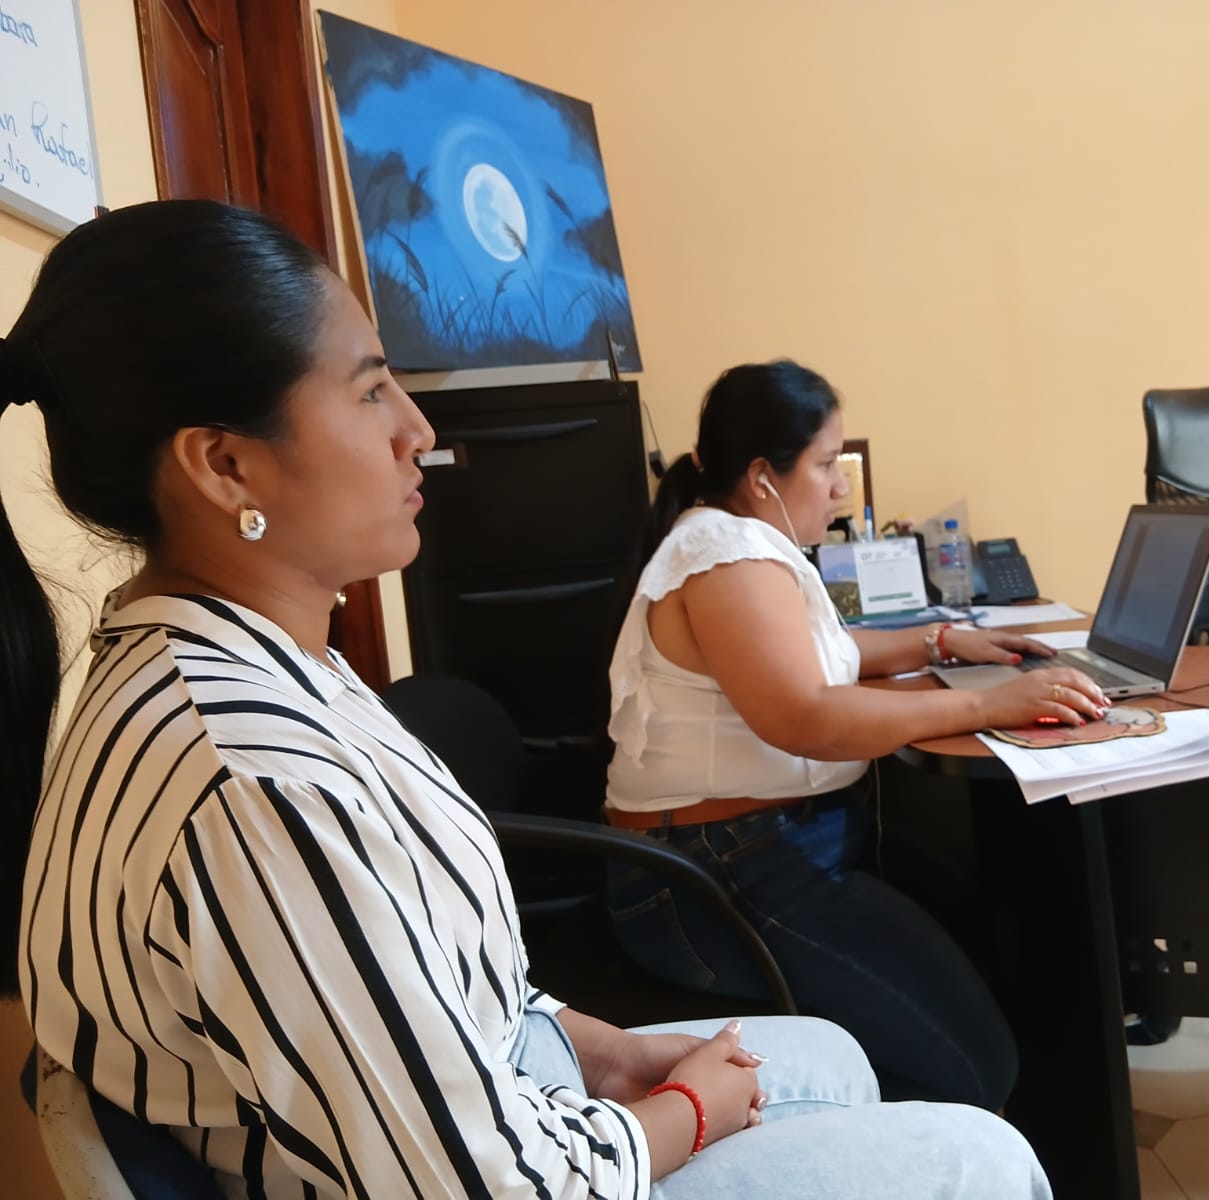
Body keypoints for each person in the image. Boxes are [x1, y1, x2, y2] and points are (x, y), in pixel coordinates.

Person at [2, 200, 1051, 1198]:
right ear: (226, 465)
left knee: (829, 1056)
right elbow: (486, 1186)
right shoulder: (257, 784)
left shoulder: (256, 665)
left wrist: (609, 1057)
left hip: (484, 1101)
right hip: (495, 1168)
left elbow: (443, 977)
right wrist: (684, 1111)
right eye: (370, 392)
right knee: (984, 1163)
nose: (419, 431)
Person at [604, 359, 1108, 1111]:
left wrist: (938, 641)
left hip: (752, 846)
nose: (840, 487)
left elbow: (818, 655)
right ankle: (838, 1129)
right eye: (825, 464)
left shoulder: (732, 540)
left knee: (988, 926)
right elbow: (804, 716)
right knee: (976, 1066)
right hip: (712, 874)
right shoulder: (727, 557)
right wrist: (990, 705)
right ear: (763, 476)